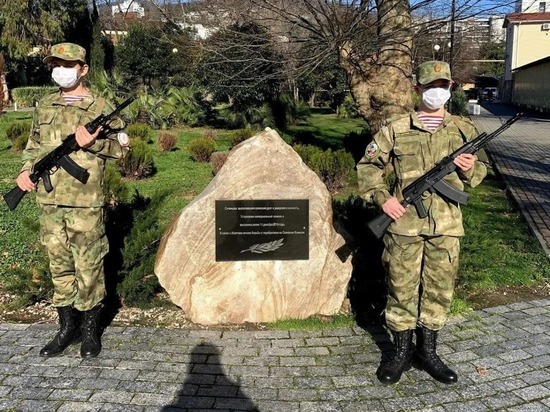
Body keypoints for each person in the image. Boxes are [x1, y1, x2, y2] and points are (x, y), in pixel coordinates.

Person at [357, 61, 487, 385]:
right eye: (430, 86)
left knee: (439, 290)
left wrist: (471, 168)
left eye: (442, 86)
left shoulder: (463, 130)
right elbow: (368, 166)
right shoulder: (396, 128)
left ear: (450, 88)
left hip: (446, 226)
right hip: (404, 227)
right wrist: (381, 198)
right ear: (418, 89)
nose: (436, 92)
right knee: (401, 289)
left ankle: (427, 352)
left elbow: (482, 174)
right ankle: (400, 353)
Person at [15, 42, 129, 358]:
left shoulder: (101, 108)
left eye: (68, 65)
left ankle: (90, 332)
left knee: (89, 264)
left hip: (85, 201)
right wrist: (26, 171)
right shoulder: (45, 104)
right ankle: (66, 329)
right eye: (56, 64)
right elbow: (33, 145)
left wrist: (92, 144)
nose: (60, 71)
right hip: (49, 199)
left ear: (83, 69)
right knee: (59, 264)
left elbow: (120, 149)